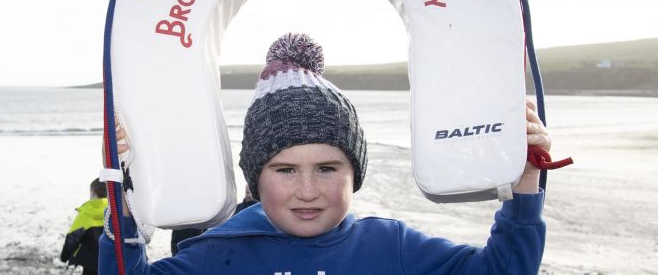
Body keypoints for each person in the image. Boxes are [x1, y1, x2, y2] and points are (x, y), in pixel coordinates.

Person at [100, 33, 551, 274]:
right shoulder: (217, 253)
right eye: (285, 169)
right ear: (256, 179)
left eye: (328, 167)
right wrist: (125, 192)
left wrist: (526, 179)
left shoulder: (391, 247)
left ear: (356, 172)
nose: (308, 191)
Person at [61, 178, 108, 275]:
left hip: (90, 263)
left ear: (94, 193)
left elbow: (73, 237)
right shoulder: (113, 212)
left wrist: (64, 256)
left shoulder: (86, 213)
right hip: (110, 261)